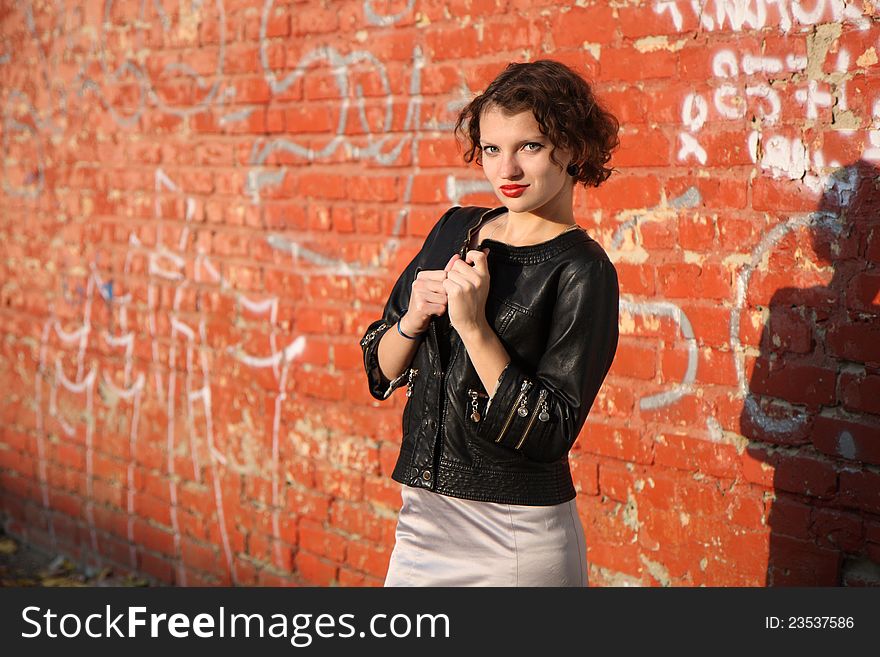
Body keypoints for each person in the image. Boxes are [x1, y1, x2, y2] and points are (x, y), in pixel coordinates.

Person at [359, 60, 620, 586]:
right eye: (493, 149)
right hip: (421, 523)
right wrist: (412, 318)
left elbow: (551, 432)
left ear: (572, 148)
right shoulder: (455, 228)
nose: (508, 171)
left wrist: (475, 329)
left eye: (530, 146)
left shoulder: (583, 270)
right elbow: (378, 368)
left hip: (514, 536)